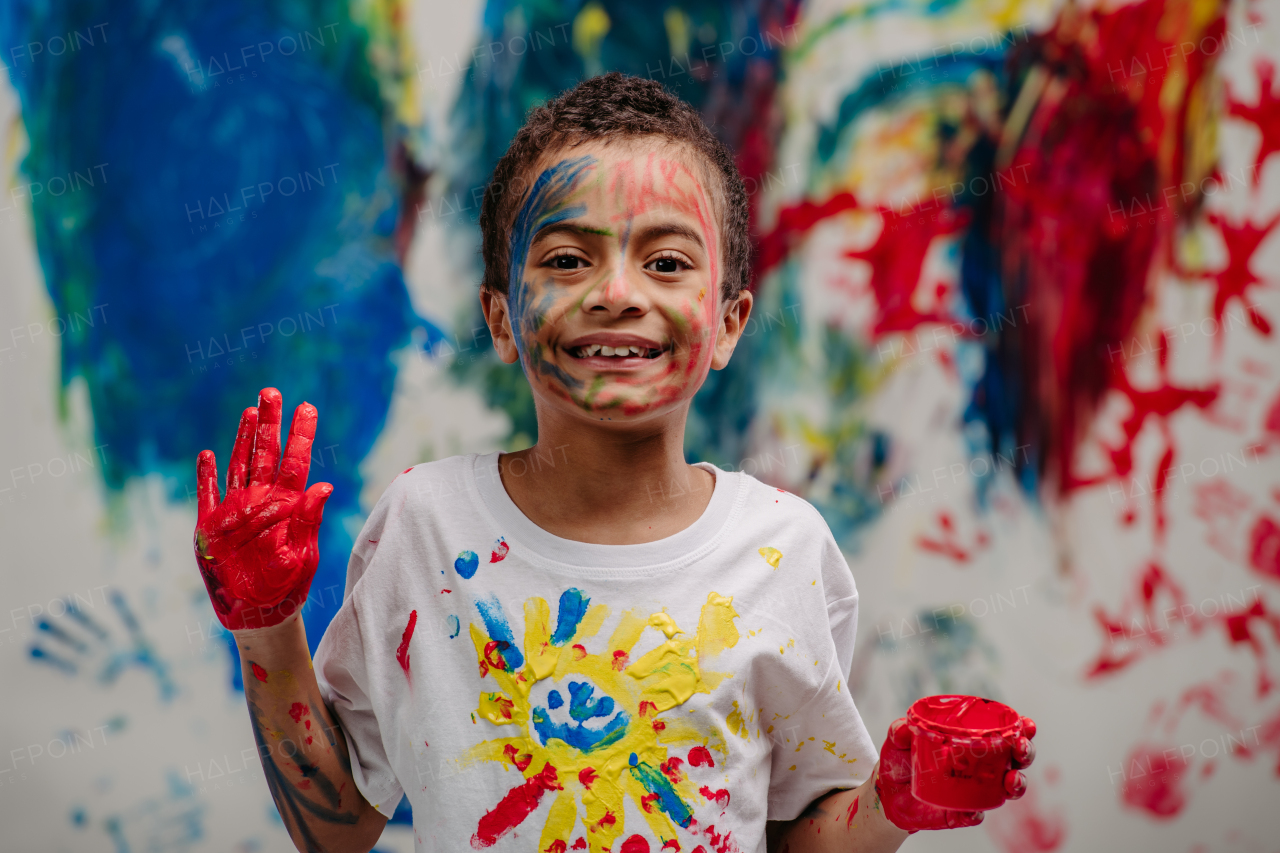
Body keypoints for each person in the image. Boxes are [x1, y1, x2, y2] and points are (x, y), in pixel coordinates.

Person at [193, 72, 1034, 853]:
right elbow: (337, 831)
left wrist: (894, 803)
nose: (617, 292)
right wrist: (266, 625)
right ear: (500, 316)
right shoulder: (426, 526)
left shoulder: (783, 550)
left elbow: (800, 832)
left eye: (667, 262)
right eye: (566, 258)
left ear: (730, 322)